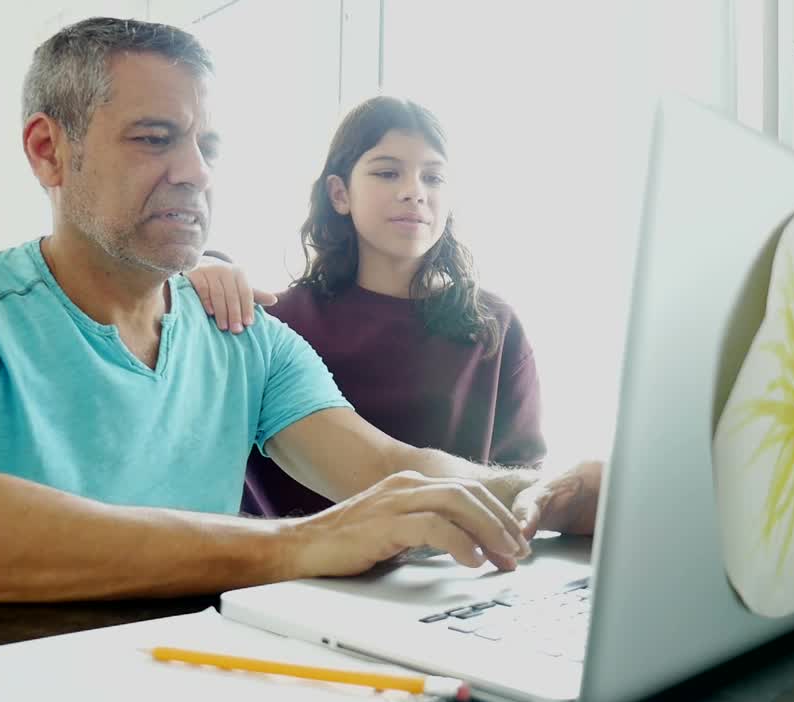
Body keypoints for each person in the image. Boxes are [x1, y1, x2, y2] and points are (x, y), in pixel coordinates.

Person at [0, 17, 600, 603]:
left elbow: (390, 466)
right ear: (48, 151)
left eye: (209, 146)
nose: (195, 172)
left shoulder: (248, 340)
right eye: (155, 139)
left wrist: (557, 493)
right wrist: (299, 543)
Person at [188, 96, 545, 520]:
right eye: (387, 172)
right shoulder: (279, 322)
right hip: (293, 574)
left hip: (449, 572)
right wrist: (200, 266)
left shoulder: (496, 327)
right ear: (340, 193)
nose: (414, 192)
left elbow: (524, 482)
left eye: (433, 177)